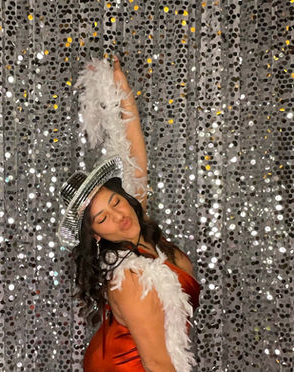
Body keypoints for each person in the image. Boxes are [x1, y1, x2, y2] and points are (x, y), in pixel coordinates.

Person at [58, 56, 200, 372]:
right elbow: (158, 362)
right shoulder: (130, 278)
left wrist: (121, 92)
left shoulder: (137, 226)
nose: (117, 215)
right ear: (96, 234)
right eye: (102, 218)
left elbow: (135, 156)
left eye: (115, 202)